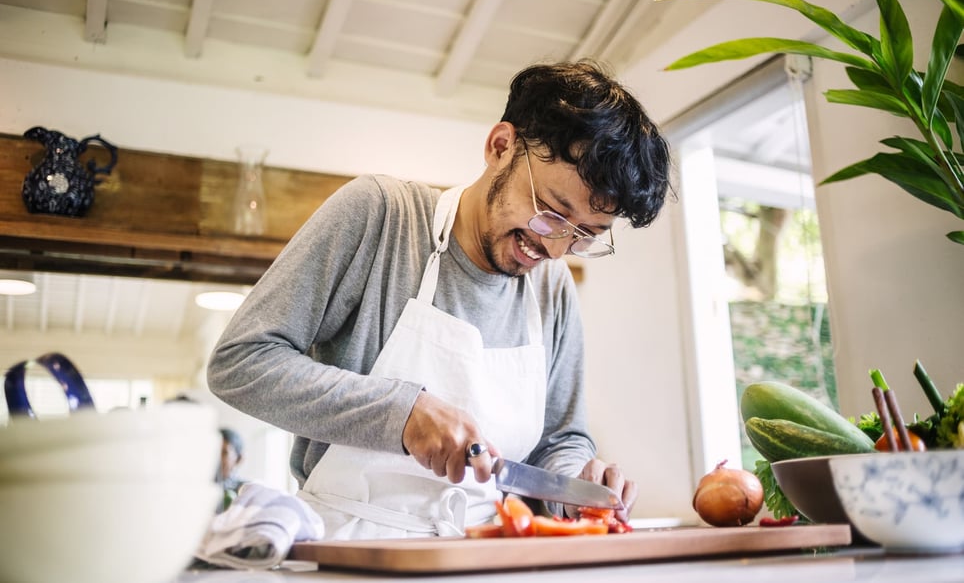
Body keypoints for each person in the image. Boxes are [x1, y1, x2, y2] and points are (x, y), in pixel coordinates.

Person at [207, 59, 672, 540]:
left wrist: (576, 482)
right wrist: (401, 413)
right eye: (552, 213)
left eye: (585, 235)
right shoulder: (381, 217)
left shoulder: (551, 290)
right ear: (500, 146)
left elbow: (560, 438)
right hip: (349, 550)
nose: (554, 248)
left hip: (483, 553)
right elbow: (240, 362)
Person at [216, 427, 247, 512]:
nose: (217, 457)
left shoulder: (245, 491)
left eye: (224, 453)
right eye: (214, 450)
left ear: (238, 459)